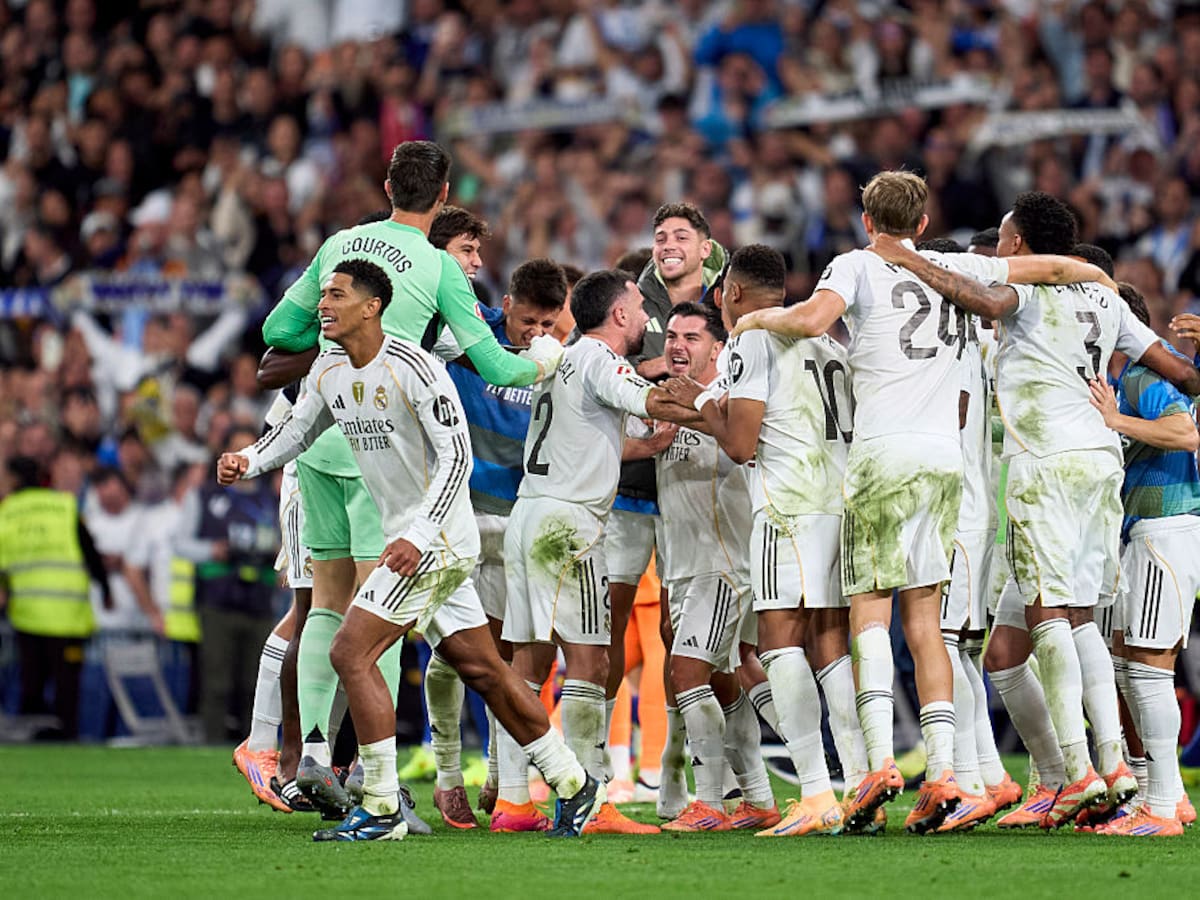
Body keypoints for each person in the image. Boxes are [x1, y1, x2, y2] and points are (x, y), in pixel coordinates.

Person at [730, 173, 1113, 834]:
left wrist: (759, 316)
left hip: (883, 452)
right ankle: (941, 773)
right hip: (945, 463)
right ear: (924, 214)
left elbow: (814, 319)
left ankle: (877, 764)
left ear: (865, 215)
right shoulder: (957, 263)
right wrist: (1099, 282)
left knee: (869, 614)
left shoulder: (855, 264)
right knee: (926, 621)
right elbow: (1052, 265)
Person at [219, 259, 599, 842]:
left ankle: (380, 805)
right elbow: (297, 431)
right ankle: (573, 782)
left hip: (436, 542)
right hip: (414, 541)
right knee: (485, 671)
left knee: (350, 651)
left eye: (336, 296)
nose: (323, 306)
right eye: (324, 295)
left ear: (371, 307)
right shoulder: (327, 368)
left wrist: (417, 537)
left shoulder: (416, 369)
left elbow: (456, 462)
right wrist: (250, 460)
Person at [867, 191, 1200, 829]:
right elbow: (1184, 376)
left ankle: (1079, 771)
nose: (996, 250)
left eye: (1002, 241)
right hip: (1101, 466)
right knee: (1078, 619)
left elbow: (990, 299)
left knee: (1051, 617)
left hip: (1043, 465)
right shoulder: (1104, 295)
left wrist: (904, 259)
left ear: (1017, 243)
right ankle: (1113, 766)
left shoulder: (1026, 290)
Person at [256, 141, 563, 814]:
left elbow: (278, 328)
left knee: (326, 603)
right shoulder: (437, 265)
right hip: (383, 456)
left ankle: (307, 752)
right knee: (380, 614)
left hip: (318, 442)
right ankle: (378, 786)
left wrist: (326, 335)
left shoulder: (341, 243)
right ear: (444, 193)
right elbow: (500, 369)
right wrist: (543, 357)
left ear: (388, 184)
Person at [668, 246, 860, 837]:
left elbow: (743, 443)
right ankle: (856, 784)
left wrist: (698, 403)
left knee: (777, 646)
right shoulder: (829, 342)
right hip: (836, 503)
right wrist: (703, 407)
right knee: (830, 647)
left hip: (786, 503)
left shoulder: (753, 337)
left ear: (730, 293)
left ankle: (812, 792)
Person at [502, 269, 699, 836]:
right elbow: (650, 398)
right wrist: (715, 407)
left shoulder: (562, 359)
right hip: (569, 528)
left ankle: (514, 799)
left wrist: (642, 443)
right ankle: (591, 799)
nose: (645, 317)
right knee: (592, 663)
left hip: (530, 514)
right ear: (617, 315)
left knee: (529, 663)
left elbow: (586, 439)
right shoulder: (600, 359)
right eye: (638, 306)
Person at [429, 257, 570, 829]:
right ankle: (445, 775)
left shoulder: (560, 355)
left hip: (517, 521)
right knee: (451, 654)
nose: (535, 335)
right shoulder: (463, 334)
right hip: (459, 511)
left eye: (547, 324)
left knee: (502, 657)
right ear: (505, 305)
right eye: (526, 322)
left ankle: (497, 771)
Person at [607, 203, 726, 809]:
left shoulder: (727, 304)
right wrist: (649, 367)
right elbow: (599, 359)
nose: (667, 244)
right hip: (630, 486)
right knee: (606, 628)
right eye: (659, 237)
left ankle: (674, 779)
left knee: (683, 637)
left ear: (706, 248)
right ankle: (599, 778)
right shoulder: (628, 299)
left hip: (692, 490)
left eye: (681, 236)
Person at [650, 299, 780, 833]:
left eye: (693, 338)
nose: (679, 346)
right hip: (684, 564)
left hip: (724, 563)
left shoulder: (730, 396)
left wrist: (683, 406)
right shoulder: (660, 395)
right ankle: (760, 798)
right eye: (673, 337)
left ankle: (708, 802)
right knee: (726, 681)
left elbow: (742, 442)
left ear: (717, 348)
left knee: (687, 674)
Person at [1086, 287, 1200, 836]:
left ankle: (1163, 804)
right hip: (1147, 531)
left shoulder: (1139, 376)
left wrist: (1117, 422)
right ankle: (1164, 799)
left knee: (1149, 668)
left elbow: (1184, 433)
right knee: (1132, 662)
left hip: (1166, 527)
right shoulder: (1131, 377)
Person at [178, 425, 281, 745]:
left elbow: (287, 542)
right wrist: (213, 550)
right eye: (236, 450)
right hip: (218, 600)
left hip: (260, 600)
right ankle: (212, 742)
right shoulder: (205, 496)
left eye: (248, 449)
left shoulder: (272, 499)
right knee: (217, 680)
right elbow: (180, 543)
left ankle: (255, 746)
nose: (242, 459)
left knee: (257, 682)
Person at [0, 456, 111, 740]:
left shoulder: (8, 511)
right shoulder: (64, 506)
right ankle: (68, 739)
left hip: (27, 615)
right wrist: (106, 589)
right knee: (67, 687)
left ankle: (31, 746)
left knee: (32, 684)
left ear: (13, 479)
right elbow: (91, 553)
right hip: (68, 617)